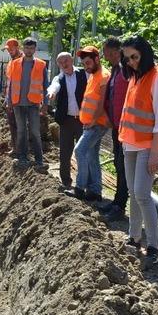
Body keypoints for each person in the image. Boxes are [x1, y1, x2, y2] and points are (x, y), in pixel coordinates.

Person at [118, 36, 158, 268]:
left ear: (145, 54)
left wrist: (154, 153)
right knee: (133, 192)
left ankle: (154, 247)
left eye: (134, 57)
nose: (130, 62)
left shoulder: (157, 77)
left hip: (147, 146)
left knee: (142, 194)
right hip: (130, 143)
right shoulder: (136, 76)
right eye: (127, 58)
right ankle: (134, 237)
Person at [64, 45, 110, 201]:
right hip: (91, 123)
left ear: (97, 59)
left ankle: (80, 188)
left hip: (96, 124)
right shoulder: (94, 75)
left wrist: (94, 121)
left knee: (80, 151)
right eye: (83, 64)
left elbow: (102, 102)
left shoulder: (103, 76)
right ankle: (95, 191)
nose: (86, 66)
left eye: (88, 63)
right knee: (91, 156)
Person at [97, 36, 130, 222]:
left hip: (126, 128)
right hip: (117, 125)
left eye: (109, 53)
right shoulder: (116, 70)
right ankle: (117, 201)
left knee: (123, 167)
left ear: (117, 52)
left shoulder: (127, 71)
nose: (107, 57)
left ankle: (120, 205)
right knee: (118, 166)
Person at [6, 37, 49, 172]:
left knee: (35, 131)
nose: (29, 50)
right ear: (23, 49)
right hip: (18, 102)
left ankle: (39, 159)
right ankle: (22, 157)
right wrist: (9, 101)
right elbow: (11, 83)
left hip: (33, 103)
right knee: (21, 130)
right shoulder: (15, 63)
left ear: (35, 49)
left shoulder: (41, 65)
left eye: (32, 48)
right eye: (27, 48)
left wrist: (46, 104)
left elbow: (45, 85)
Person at [47, 52, 86, 191]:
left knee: (83, 152)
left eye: (66, 60)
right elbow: (54, 86)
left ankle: (83, 183)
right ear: (58, 65)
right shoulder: (59, 78)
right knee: (65, 152)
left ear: (72, 60)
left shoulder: (83, 74)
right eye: (61, 62)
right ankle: (66, 181)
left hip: (83, 120)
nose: (64, 63)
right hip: (66, 120)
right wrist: (52, 93)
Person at [3, 38, 23, 155]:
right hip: (11, 98)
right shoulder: (11, 62)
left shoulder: (23, 61)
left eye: (11, 49)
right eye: (8, 49)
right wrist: (7, 98)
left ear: (17, 47)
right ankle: (15, 148)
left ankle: (21, 150)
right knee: (12, 125)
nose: (9, 51)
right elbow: (9, 82)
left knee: (20, 126)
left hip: (20, 99)